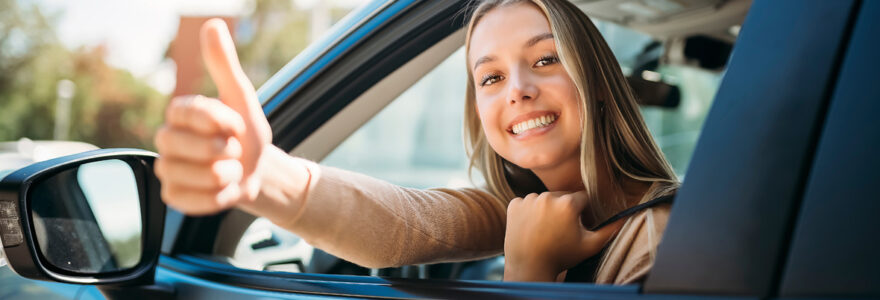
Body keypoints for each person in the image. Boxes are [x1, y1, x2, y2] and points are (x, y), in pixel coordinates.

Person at [153, 0, 679, 284]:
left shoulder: (662, 240)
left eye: (545, 59)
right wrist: (263, 174)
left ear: (599, 83)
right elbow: (402, 225)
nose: (517, 90)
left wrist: (528, 273)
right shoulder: (515, 211)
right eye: (490, 78)